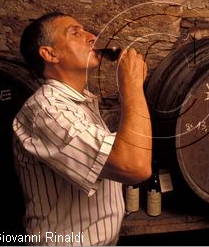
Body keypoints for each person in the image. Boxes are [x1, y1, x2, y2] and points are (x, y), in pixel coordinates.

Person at [13, 12, 152, 245]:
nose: (92, 37)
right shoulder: (47, 111)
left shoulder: (81, 103)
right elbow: (135, 167)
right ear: (49, 53)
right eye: (75, 32)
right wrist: (132, 88)